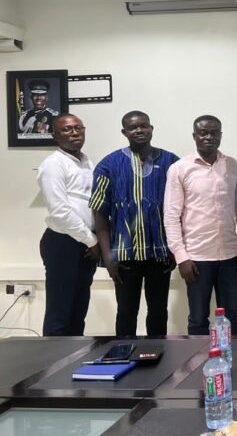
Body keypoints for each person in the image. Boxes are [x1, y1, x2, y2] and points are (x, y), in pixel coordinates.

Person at [90, 111, 179, 336]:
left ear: (151, 128)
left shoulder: (171, 162)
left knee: (159, 311)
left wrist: (176, 249)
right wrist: (108, 256)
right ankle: (124, 359)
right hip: (124, 255)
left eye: (144, 126)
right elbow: (100, 214)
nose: (139, 130)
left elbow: (182, 212)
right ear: (124, 132)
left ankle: (160, 360)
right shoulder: (109, 165)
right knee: (126, 311)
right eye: (133, 127)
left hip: (161, 254)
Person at [164, 115, 237, 335]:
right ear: (194, 136)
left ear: (221, 135)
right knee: (198, 318)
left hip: (230, 256)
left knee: (231, 313)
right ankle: (198, 366)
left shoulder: (232, 165)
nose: (208, 137)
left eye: (214, 132)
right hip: (196, 258)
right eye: (203, 133)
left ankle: (228, 362)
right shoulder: (179, 169)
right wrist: (181, 257)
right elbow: (171, 216)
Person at [36, 114, 99, 336]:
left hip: (84, 243)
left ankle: (73, 361)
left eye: (78, 128)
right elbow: (60, 211)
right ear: (55, 135)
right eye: (66, 129)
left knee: (78, 309)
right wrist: (92, 240)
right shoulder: (53, 164)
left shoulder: (86, 162)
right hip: (63, 243)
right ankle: (52, 367)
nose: (74, 132)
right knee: (60, 310)